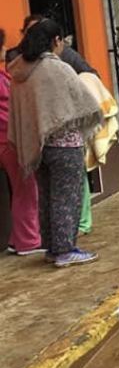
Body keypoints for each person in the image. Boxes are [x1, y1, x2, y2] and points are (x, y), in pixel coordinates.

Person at [7, 19, 102, 267]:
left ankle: (51, 247)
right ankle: (65, 250)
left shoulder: (18, 71)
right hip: (65, 144)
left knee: (47, 197)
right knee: (66, 197)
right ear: (56, 41)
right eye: (62, 41)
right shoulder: (56, 68)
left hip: (36, 146)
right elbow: (84, 102)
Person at [0, 28, 43, 256]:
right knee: (26, 190)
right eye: (2, 45)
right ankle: (28, 241)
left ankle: (18, 239)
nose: (6, 49)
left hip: (8, 141)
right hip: (9, 142)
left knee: (21, 190)